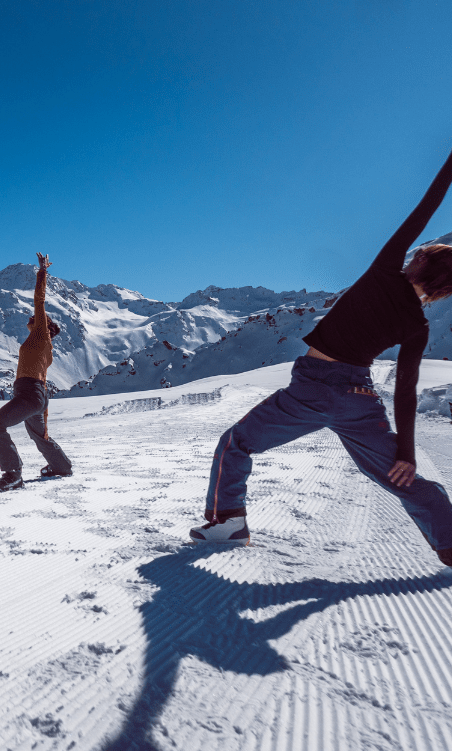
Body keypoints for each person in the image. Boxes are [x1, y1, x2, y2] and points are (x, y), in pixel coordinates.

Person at [192, 142, 452, 563]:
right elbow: (406, 391)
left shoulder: (385, 270)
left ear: (422, 265)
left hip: (314, 389)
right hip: (359, 399)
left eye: (420, 253)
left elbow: (428, 203)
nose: (414, 252)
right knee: (399, 477)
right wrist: (406, 451)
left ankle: (228, 522)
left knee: (235, 444)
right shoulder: (418, 326)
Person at [0, 252, 74, 491]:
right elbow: (42, 385)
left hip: (30, 394)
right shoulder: (45, 347)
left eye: (36, 318)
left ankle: (13, 474)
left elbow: (39, 301)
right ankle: (62, 466)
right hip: (35, 395)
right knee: (38, 434)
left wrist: (42, 273)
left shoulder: (40, 335)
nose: (32, 317)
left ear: (44, 326)